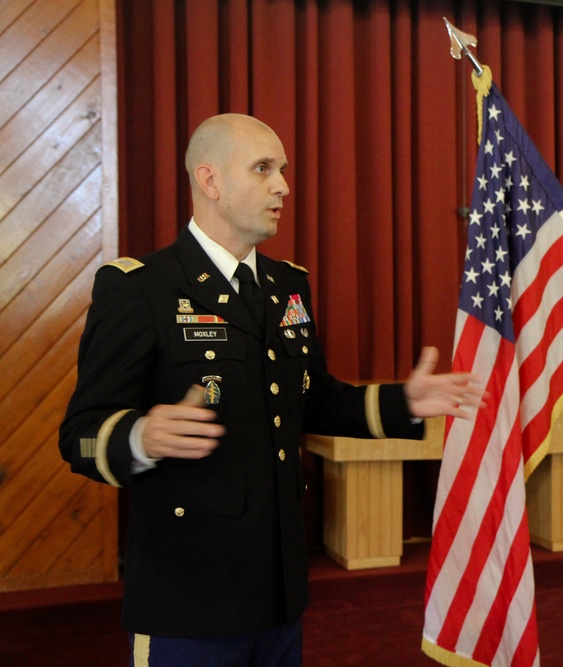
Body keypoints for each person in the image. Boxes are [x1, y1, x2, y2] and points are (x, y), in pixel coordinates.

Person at [59, 113, 485, 666]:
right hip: (188, 601)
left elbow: (316, 399)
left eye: (281, 170)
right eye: (262, 169)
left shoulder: (287, 285)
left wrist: (402, 401)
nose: (282, 185)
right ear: (210, 182)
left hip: (279, 593)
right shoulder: (141, 289)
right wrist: (139, 436)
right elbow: (80, 438)